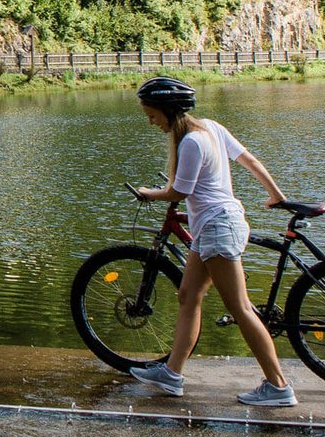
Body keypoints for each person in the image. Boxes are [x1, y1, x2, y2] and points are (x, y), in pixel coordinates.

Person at [126, 77, 298, 407]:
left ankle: (278, 387)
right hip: (211, 226)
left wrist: (151, 195)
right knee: (188, 296)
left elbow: (179, 192)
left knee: (241, 308)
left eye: (152, 115)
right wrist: (276, 194)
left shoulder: (191, 141)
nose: (151, 123)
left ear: (167, 110)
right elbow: (250, 161)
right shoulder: (211, 128)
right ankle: (172, 374)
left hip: (218, 227)